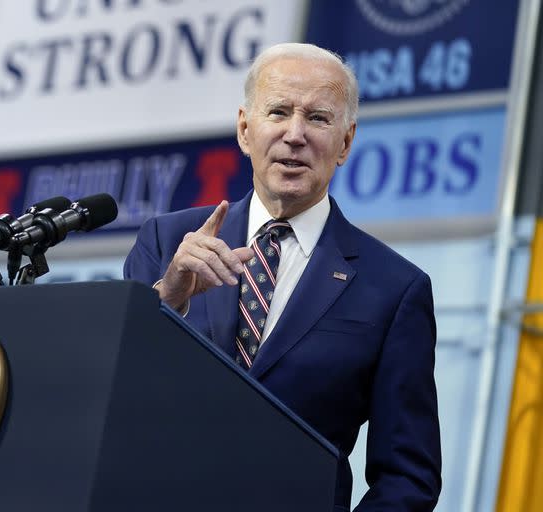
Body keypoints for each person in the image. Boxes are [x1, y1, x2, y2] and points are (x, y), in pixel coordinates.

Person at [123, 43, 441, 511]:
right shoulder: (166, 241)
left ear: (346, 143)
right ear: (244, 129)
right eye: (278, 112)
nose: (295, 135)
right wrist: (167, 299)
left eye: (317, 118)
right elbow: (117, 390)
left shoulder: (394, 289)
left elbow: (408, 477)